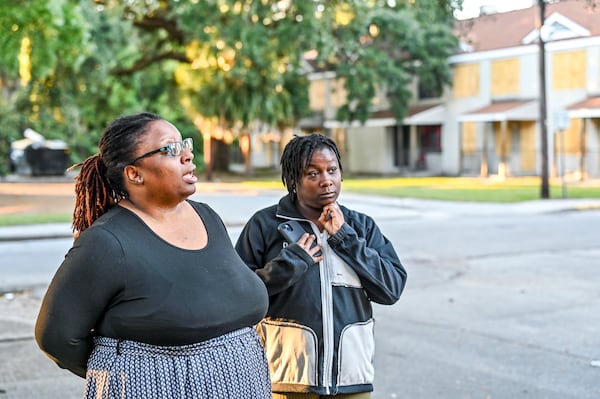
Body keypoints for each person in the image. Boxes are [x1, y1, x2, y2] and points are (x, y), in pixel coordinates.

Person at [35, 112, 272, 399]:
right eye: (170, 149)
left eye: (185, 144)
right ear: (134, 174)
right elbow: (56, 337)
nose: (186, 155)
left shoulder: (208, 217)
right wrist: (134, 372)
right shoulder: (106, 242)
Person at [235, 133, 407, 398]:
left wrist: (345, 239)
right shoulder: (266, 225)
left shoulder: (361, 227)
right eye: (313, 173)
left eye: (332, 170)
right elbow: (238, 296)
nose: (326, 180)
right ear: (294, 180)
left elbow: (391, 289)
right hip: (288, 377)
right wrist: (291, 263)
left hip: (351, 379)